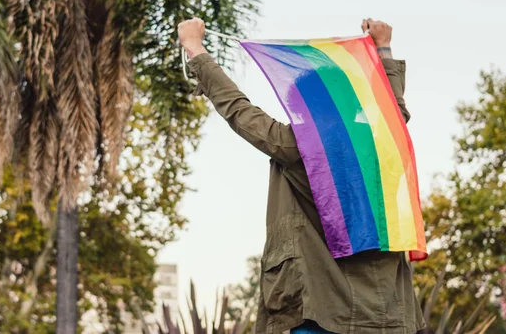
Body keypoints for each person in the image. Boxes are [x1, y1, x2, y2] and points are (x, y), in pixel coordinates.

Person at [178, 18, 425, 334]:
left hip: (322, 315)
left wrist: (195, 48)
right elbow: (395, 112)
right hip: (390, 315)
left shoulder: (299, 147)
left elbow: (239, 111)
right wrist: (384, 49)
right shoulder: (383, 142)